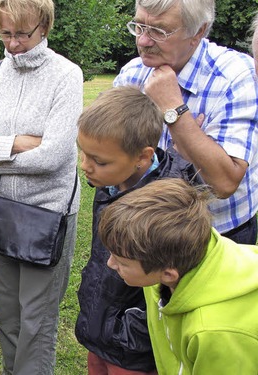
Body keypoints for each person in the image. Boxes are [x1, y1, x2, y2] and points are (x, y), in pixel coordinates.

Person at [0, 0, 83, 373]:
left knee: (37, 319)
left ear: (44, 27)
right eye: (5, 33)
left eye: (21, 34)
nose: (11, 45)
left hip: (48, 212)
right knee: (8, 312)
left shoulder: (66, 75)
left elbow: (54, 157)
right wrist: (18, 142)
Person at [74, 86, 201, 375]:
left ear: (142, 158)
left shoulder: (167, 202)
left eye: (98, 160)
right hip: (102, 326)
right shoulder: (113, 179)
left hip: (135, 345)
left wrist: (133, 328)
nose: (85, 166)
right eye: (83, 153)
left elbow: (173, 286)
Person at [114, 0, 258, 245]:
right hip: (144, 230)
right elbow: (109, 161)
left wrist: (174, 111)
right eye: (139, 26)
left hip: (215, 236)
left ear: (198, 32)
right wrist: (187, 151)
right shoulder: (131, 74)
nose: (143, 41)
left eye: (159, 31)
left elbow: (223, 183)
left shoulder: (235, 76)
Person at [99, 178, 258, 374]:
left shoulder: (214, 333)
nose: (110, 264)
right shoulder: (175, 258)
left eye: (121, 262)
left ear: (168, 274)